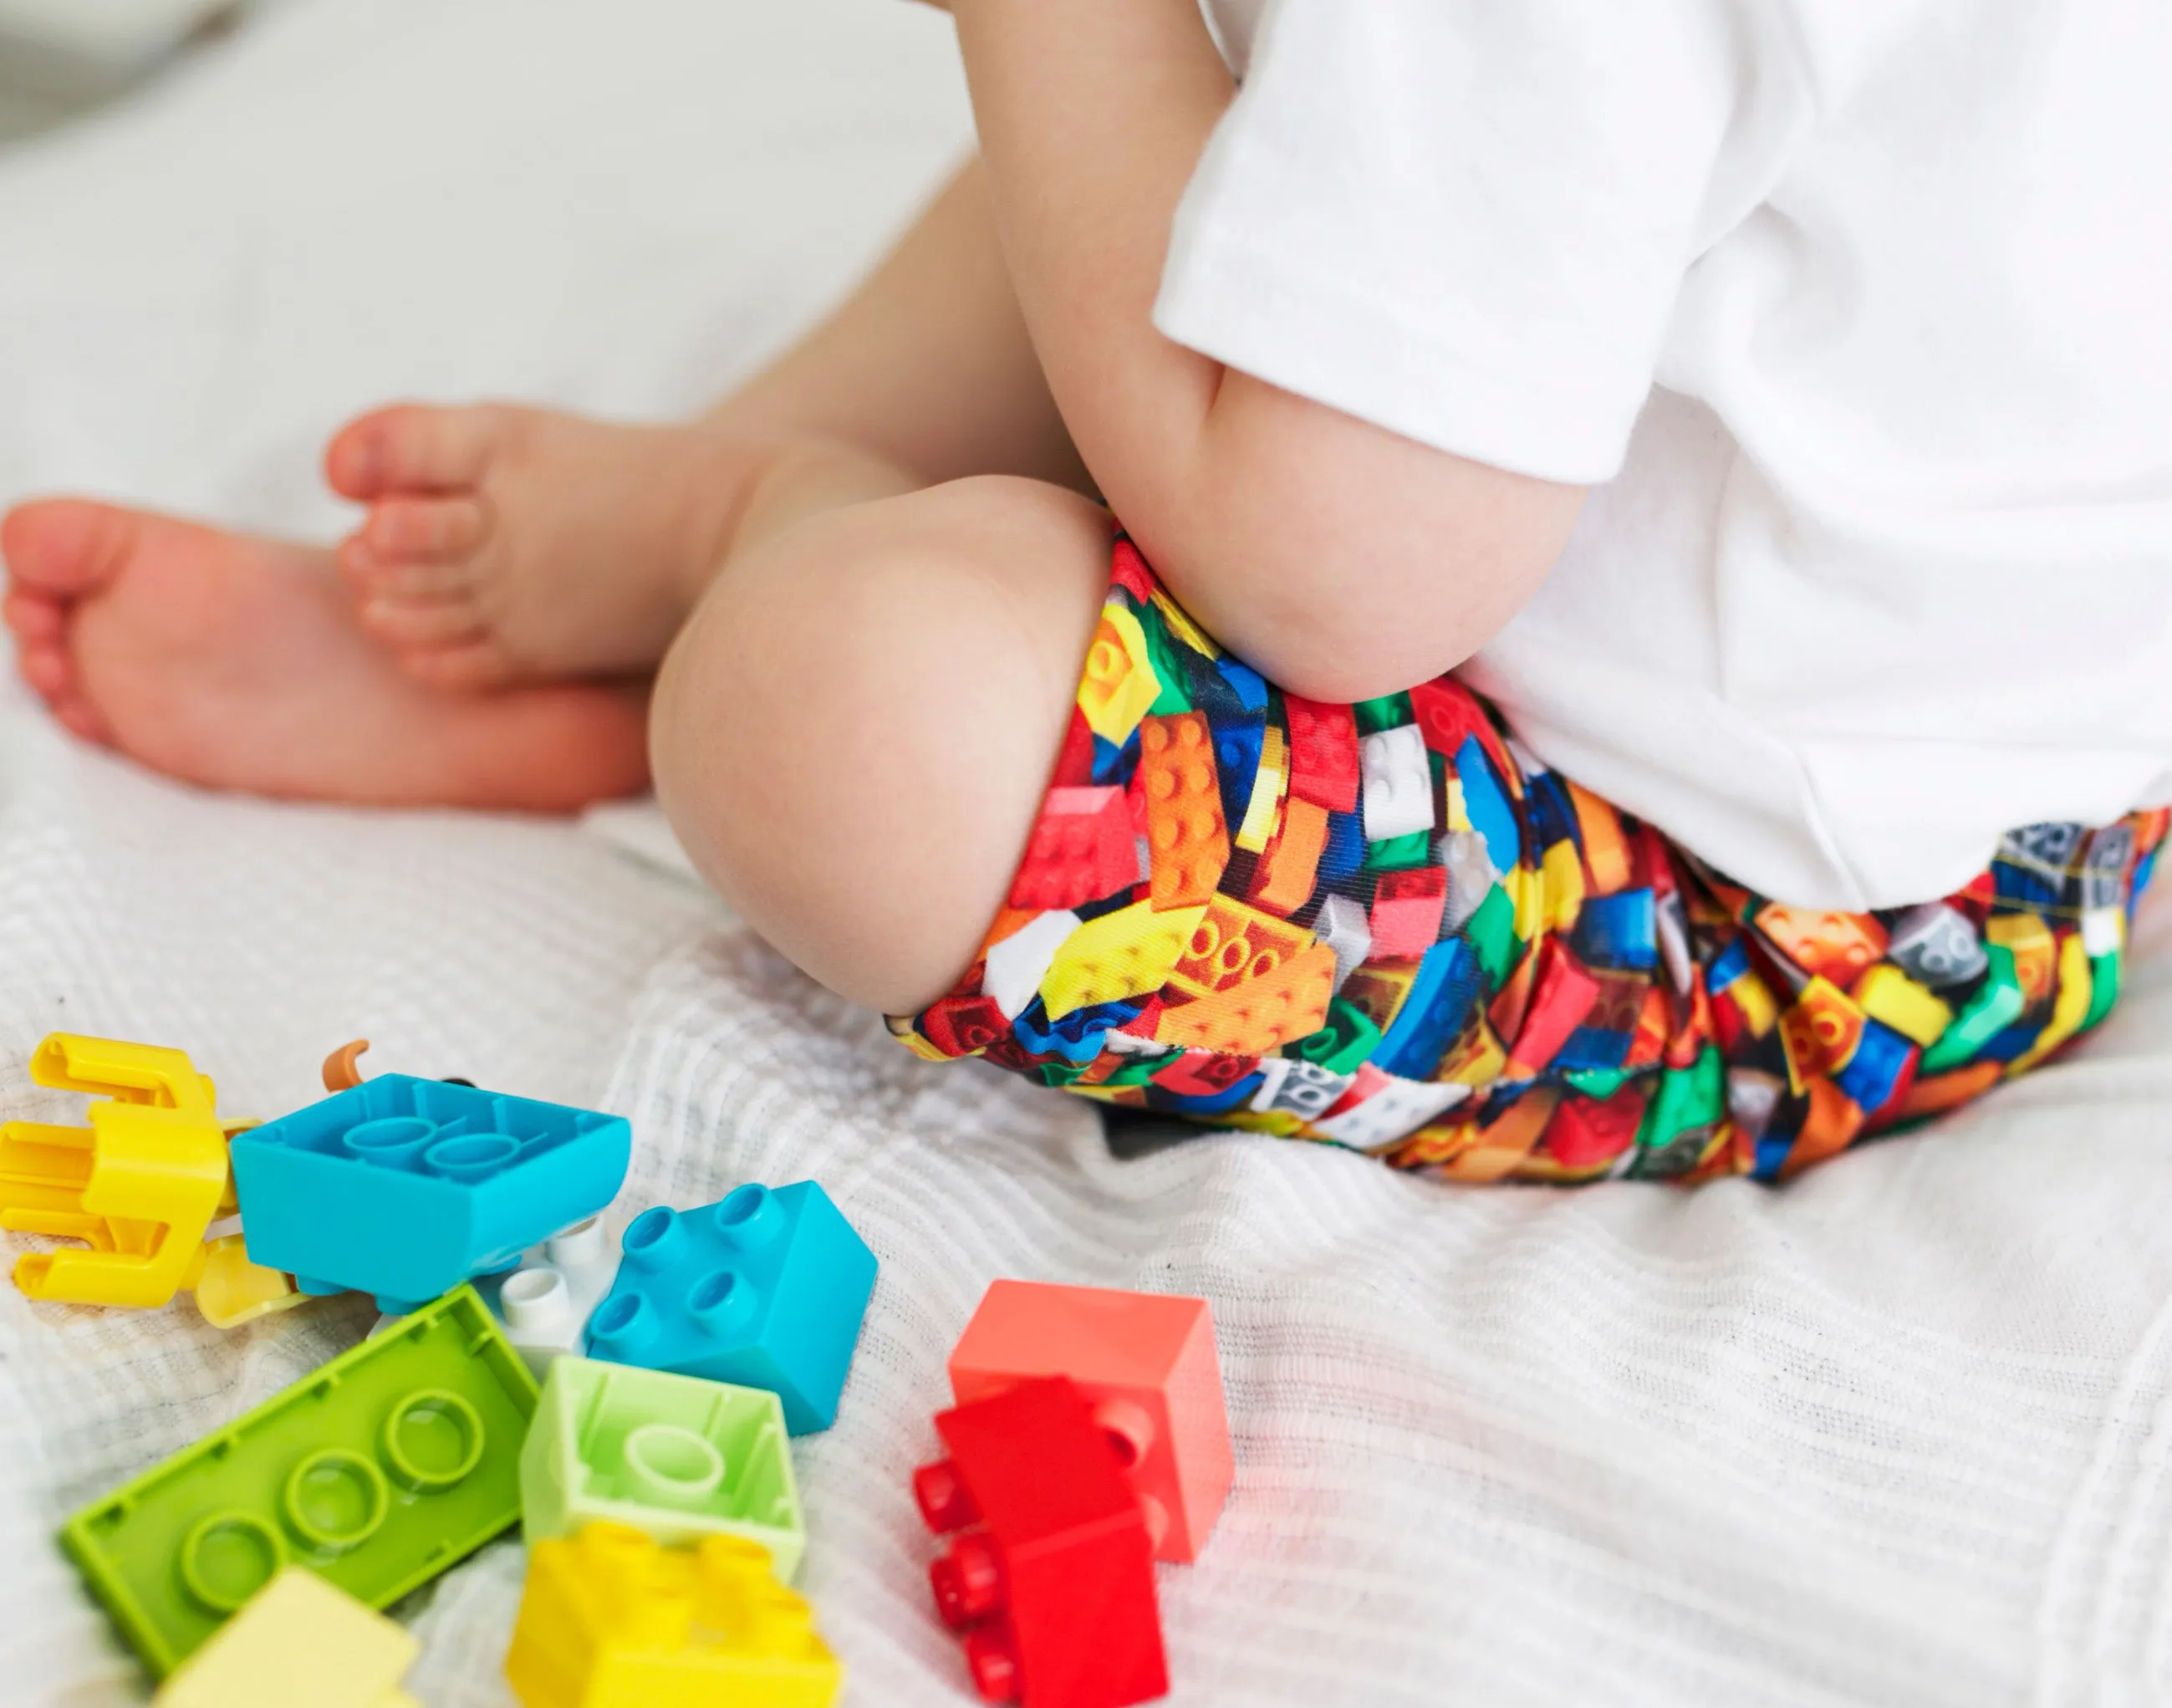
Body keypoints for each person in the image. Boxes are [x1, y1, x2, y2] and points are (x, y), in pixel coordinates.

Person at [6, 1, 2169, 1180]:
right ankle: (663, 549)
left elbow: (1340, 584)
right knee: (1217, 138)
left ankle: (715, 549)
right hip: (1880, 662)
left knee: (849, 706)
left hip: (1776, 925)